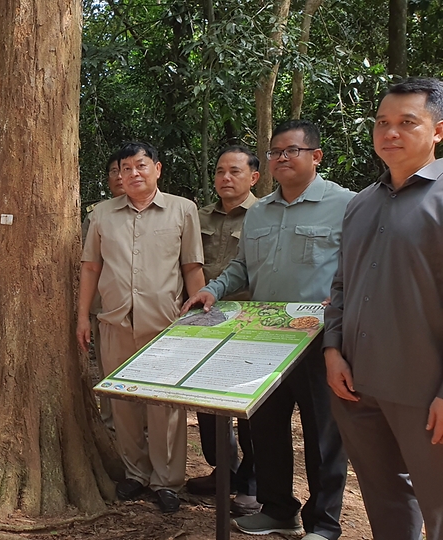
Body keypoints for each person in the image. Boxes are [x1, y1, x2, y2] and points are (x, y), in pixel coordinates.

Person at [182, 120, 353, 539]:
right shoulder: (259, 211)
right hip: (266, 337)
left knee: (323, 434)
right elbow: (242, 267)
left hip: (320, 339)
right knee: (267, 429)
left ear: (316, 156)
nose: (281, 158)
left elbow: (360, 265)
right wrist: (212, 290)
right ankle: (278, 510)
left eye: (290, 151)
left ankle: (324, 523)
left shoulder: (348, 204)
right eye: (276, 152)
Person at [323, 77, 443, 540]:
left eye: (406, 123)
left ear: (437, 131)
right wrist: (332, 351)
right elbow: (342, 283)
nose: (390, 133)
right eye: (382, 122)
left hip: (423, 389)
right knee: (383, 497)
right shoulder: (361, 203)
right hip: (357, 386)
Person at [76, 142, 205, 514]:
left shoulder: (183, 210)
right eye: (125, 168)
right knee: (123, 400)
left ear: (157, 169)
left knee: (164, 405)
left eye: (140, 166)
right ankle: (135, 472)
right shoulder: (103, 214)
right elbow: (90, 268)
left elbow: (192, 267)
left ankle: (167, 481)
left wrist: (200, 323)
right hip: (114, 322)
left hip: (165, 325)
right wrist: (83, 316)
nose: (131, 174)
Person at [185, 146, 261, 516]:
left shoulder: (265, 215)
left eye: (234, 171)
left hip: (252, 325)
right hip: (206, 322)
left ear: (254, 177)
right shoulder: (198, 216)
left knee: (250, 406)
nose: (225, 179)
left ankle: (251, 481)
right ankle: (223, 471)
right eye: (219, 172)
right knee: (208, 404)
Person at [81, 160, 127, 429]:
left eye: (128, 169)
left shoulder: (171, 212)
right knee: (109, 370)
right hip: (105, 308)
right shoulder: (96, 215)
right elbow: (88, 264)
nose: (120, 176)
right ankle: (111, 424)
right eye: (114, 171)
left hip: (151, 310)